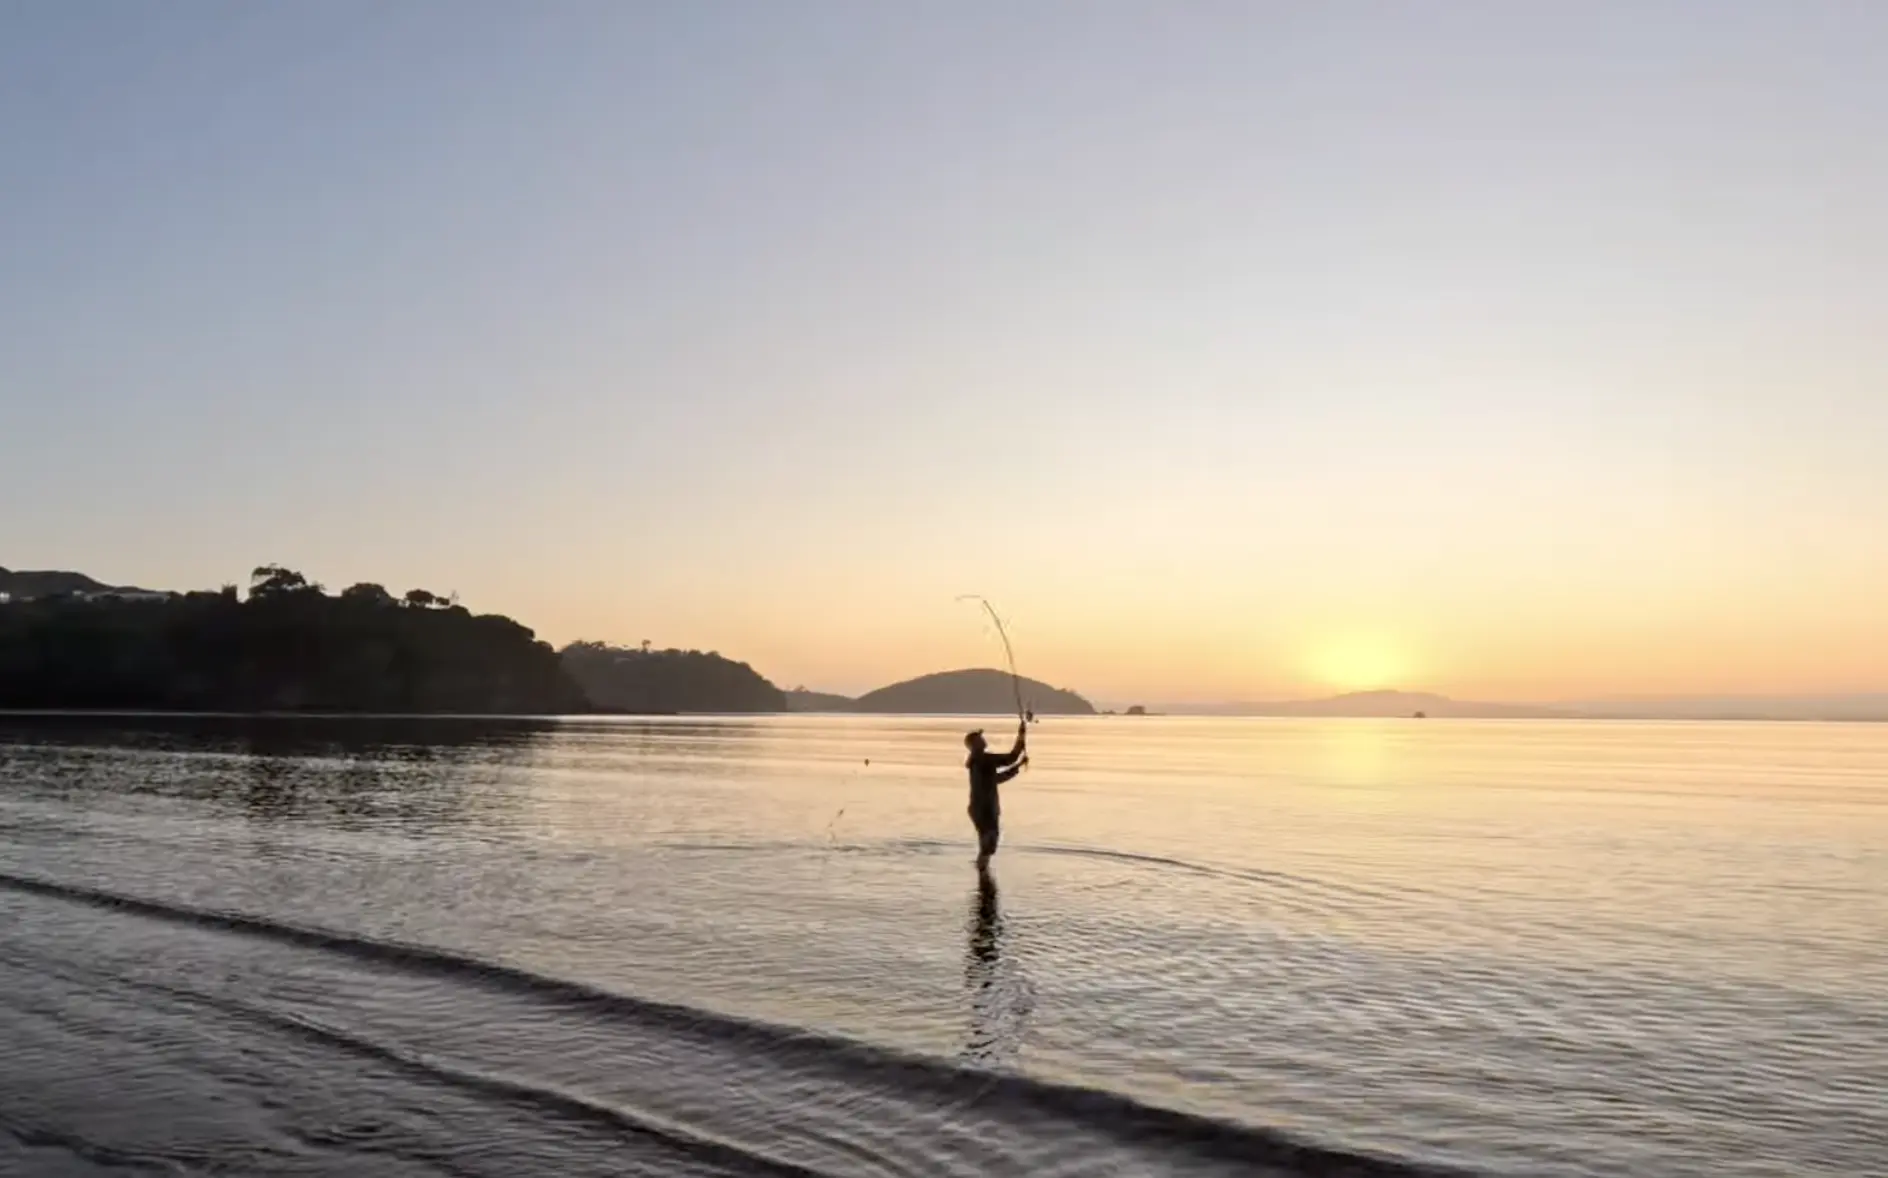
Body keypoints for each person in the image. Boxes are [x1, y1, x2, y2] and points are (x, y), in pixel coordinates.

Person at [964, 720, 1026, 870]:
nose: (983, 739)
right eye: (980, 738)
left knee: (988, 846)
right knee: (989, 844)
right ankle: (982, 875)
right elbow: (1010, 757)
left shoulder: (978, 761)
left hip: (982, 808)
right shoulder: (983, 759)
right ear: (974, 744)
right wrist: (1021, 736)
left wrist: (1018, 766)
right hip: (984, 808)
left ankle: (982, 873)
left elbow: (997, 779)